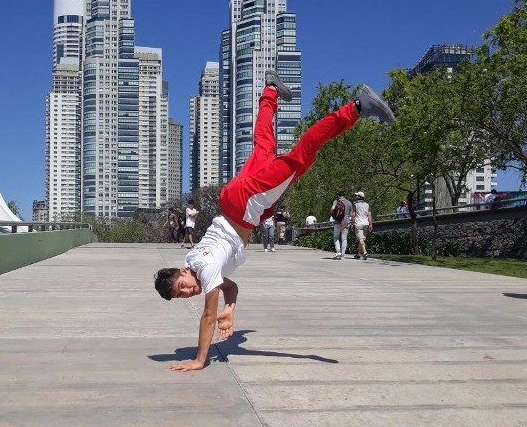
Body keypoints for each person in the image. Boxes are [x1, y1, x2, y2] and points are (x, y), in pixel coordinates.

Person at [153, 70, 394, 372]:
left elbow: (207, 317)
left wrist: (200, 359)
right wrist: (231, 308)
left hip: (245, 204)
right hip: (236, 202)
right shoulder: (200, 267)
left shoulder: (204, 267)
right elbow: (232, 288)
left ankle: (357, 107)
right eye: (182, 295)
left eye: (182, 285)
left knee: (302, 156)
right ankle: (270, 89)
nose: (188, 292)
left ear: (184, 271)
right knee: (264, 145)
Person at [330, 191, 352, 259]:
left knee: (336, 237)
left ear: (338, 196)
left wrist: (332, 214)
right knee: (344, 238)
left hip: (337, 222)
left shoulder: (336, 201)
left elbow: (333, 208)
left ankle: (338, 251)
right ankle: (342, 255)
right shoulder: (349, 202)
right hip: (346, 222)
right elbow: (351, 214)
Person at [351, 191, 373, 260]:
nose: (356, 196)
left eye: (357, 195)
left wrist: (352, 224)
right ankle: (358, 254)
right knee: (362, 239)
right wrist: (370, 224)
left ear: (360, 197)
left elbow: (353, 215)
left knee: (361, 239)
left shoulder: (355, 205)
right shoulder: (367, 205)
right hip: (366, 223)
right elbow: (369, 215)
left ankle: (365, 252)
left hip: (358, 224)